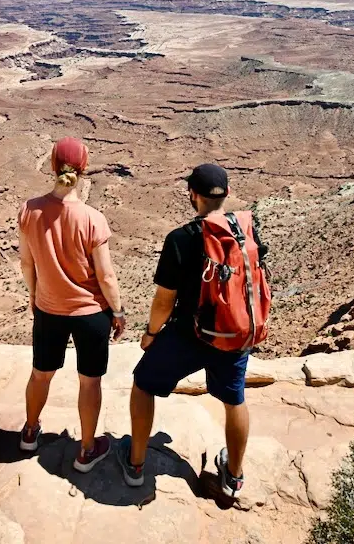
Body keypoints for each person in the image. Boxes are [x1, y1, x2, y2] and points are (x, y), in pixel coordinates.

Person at [118, 163, 267, 499]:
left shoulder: (181, 239)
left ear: (193, 195)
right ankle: (234, 476)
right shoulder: (247, 230)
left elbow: (163, 302)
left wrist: (151, 334)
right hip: (233, 334)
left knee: (143, 384)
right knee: (235, 400)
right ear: (227, 193)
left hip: (188, 335)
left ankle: (136, 464)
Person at [17, 136, 126, 473]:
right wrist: (118, 311)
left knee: (41, 373)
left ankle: (31, 432)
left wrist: (36, 297)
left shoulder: (29, 210)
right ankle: (87, 450)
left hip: (49, 309)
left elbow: (26, 264)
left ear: (53, 166)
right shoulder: (93, 218)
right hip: (91, 314)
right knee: (89, 382)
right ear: (84, 167)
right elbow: (106, 276)